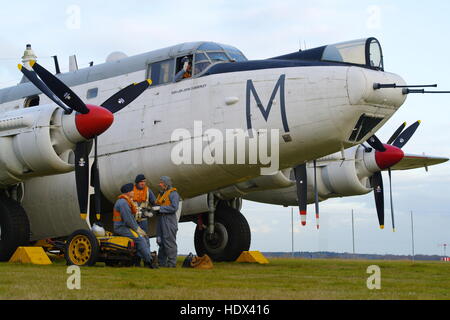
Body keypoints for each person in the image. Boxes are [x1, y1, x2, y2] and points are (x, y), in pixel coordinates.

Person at [113, 183, 156, 269]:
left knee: (144, 237)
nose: (133, 192)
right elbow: (128, 220)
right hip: (121, 228)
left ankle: (143, 260)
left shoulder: (125, 201)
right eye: (132, 191)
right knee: (140, 239)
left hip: (124, 227)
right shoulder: (123, 203)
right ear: (128, 192)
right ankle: (149, 261)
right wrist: (138, 229)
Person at [153, 176, 180, 268]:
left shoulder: (174, 194)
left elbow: (174, 207)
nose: (160, 185)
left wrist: (160, 208)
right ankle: (162, 263)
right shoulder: (162, 193)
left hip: (169, 220)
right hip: (161, 219)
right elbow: (158, 204)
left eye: (161, 183)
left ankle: (172, 263)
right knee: (161, 242)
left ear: (166, 183)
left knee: (169, 241)